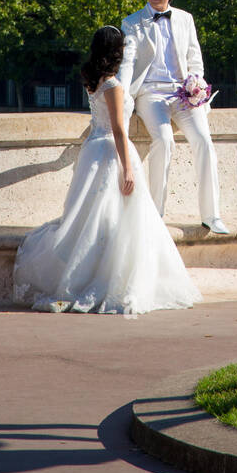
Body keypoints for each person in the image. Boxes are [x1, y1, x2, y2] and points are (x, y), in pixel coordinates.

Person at [13, 26, 202, 314]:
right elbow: (118, 129)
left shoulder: (93, 79)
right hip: (110, 154)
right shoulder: (112, 85)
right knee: (118, 218)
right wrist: (127, 168)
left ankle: (88, 272)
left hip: (92, 150)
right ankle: (110, 279)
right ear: (116, 51)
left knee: (91, 218)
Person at [119, 0, 229, 233]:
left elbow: (195, 60)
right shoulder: (131, 23)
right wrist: (121, 96)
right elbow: (128, 65)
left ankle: (211, 215)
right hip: (150, 93)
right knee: (164, 140)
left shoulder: (185, 19)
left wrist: (195, 85)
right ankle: (156, 213)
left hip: (183, 94)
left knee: (204, 141)